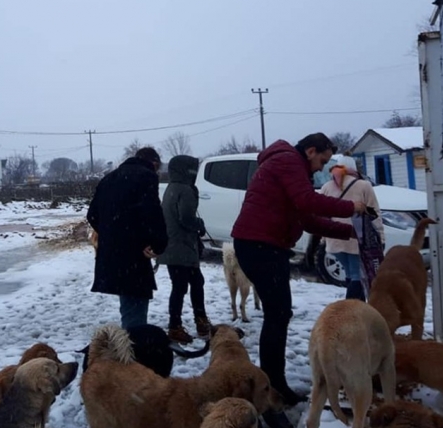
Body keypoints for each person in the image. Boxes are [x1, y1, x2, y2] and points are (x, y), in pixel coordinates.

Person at [231, 133, 366, 426]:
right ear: (310, 150)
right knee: (277, 314)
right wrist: (350, 208)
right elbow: (307, 202)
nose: (321, 168)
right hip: (259, 245)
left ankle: (273, 384)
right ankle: (271, 390)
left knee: (278, 314)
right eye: (322, 160)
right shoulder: (288, 161)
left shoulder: (288, 164)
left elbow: (305, 219)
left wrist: (349, 232)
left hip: (262, 244)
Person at [87, 147, 168, 329]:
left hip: (113, 254)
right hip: (134, 254)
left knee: (129, 301)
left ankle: (130, 342)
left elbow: (92, 215)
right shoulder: (146, 176)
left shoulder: (108, 178)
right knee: (135, 305)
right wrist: (157, 244)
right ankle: (132, 349)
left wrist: (112, 234)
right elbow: (152, 213)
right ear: (154, 163)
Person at [156, 155, 211, 344]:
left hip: (173, 245)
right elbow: (186, 218)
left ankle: (196, 322)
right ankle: (178, 326)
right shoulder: (185, 190)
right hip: (182, 246)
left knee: (190, 284)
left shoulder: (171, 188)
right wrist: (200, 224)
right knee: (185, 286)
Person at [321, 155, 384, 301]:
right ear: (354, 168)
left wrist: (324, 239)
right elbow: (374, 213)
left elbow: (322, 215)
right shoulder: (363, 185)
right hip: (357, 239)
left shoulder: (326, 187)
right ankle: (349, 309)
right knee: (358, 276)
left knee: (350, 274)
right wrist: (380, 236)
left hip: (334, 240)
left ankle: (357, 308)